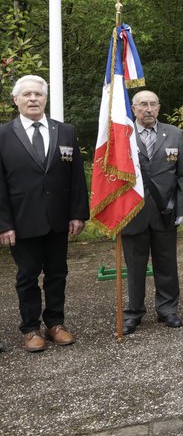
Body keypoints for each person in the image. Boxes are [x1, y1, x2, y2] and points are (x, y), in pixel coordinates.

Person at [0, 75, 88, 352]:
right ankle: (30, 329)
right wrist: (4, 224)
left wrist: (78, 214)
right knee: (27, 276)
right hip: (21, 221)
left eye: (38, 94)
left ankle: (55, 324)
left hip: (58, 219)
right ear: (16, 100)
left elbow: (75, 177)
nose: (33, 99)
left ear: (45, 98)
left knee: (57, 274)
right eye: (26, 94)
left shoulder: (65, 131)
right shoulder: (3, 135)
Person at [122, 90, 183, 335]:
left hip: (165, 212)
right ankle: (134, 313)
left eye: (152, 104)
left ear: (159, 107)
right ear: (133, 108)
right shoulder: (122, 135)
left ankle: (168, 309)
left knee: (167, 265)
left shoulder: (174, 134)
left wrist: (181, 210)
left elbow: (182, 177)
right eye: (143, 104)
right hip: (132, 214)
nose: (148, 109)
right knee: (135, 268)